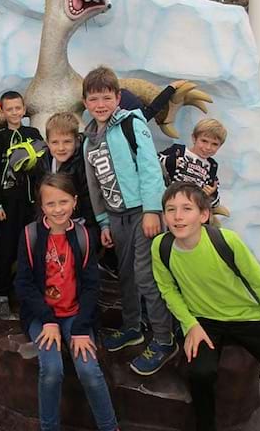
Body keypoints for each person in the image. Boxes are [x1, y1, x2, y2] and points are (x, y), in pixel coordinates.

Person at [151, 182, 260, 431]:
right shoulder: (160, 246)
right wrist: (190, 324)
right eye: (170, 209)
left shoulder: (226, 241)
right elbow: (168, 290)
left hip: (247, 317)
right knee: (200, 373)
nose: (178, 216)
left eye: (187, 208)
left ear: (204, 215)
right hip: (203, 320)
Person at [82, 66, 177, 375]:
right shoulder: (88, 141)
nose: (100, 104)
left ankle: (164, 339)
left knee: (145, 276)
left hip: (141, 214)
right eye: (93, 99)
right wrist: (104, 222)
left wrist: (153, 210)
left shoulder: (131, 124)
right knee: (126, 275)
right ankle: (132, 327)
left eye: (106, 98)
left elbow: (150, 167)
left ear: (117, 97)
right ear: (85, 102)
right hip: (116, 216)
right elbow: (94, 185)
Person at [14, 173, 119, 431]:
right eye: (50, 204)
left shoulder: (83, 236)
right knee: (51, 370)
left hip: (76, 315)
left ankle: (110, 427)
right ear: (41, 207)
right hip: (42, 315)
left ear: (74, 202)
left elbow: (92, 286)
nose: (57, 209)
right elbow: (24, 284)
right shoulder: (30, 235)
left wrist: (82, 328)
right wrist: (48, 320)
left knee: (89, 372)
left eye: (63, 202)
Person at [0, 90, 43, 319]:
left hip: (32, 204)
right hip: (8, 205)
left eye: (17, 108)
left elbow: (43, 163)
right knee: (7, 248)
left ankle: (32, 293)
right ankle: (0, 296)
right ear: (2, 111)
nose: (14, 112)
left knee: (34, 248)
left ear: (23, 108)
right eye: (9, 109)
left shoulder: (33, 133)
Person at [158, 118, 226, 209]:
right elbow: (153, 163)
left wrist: (211, 194)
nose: (208, 147)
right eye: (204, 141)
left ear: (220, 146)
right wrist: (170, 162)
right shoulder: (178, 151)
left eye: (214, 144)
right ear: (194, 138)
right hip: (166, 203)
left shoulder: (211, 168)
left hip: (189, 211)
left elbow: (215, 204)